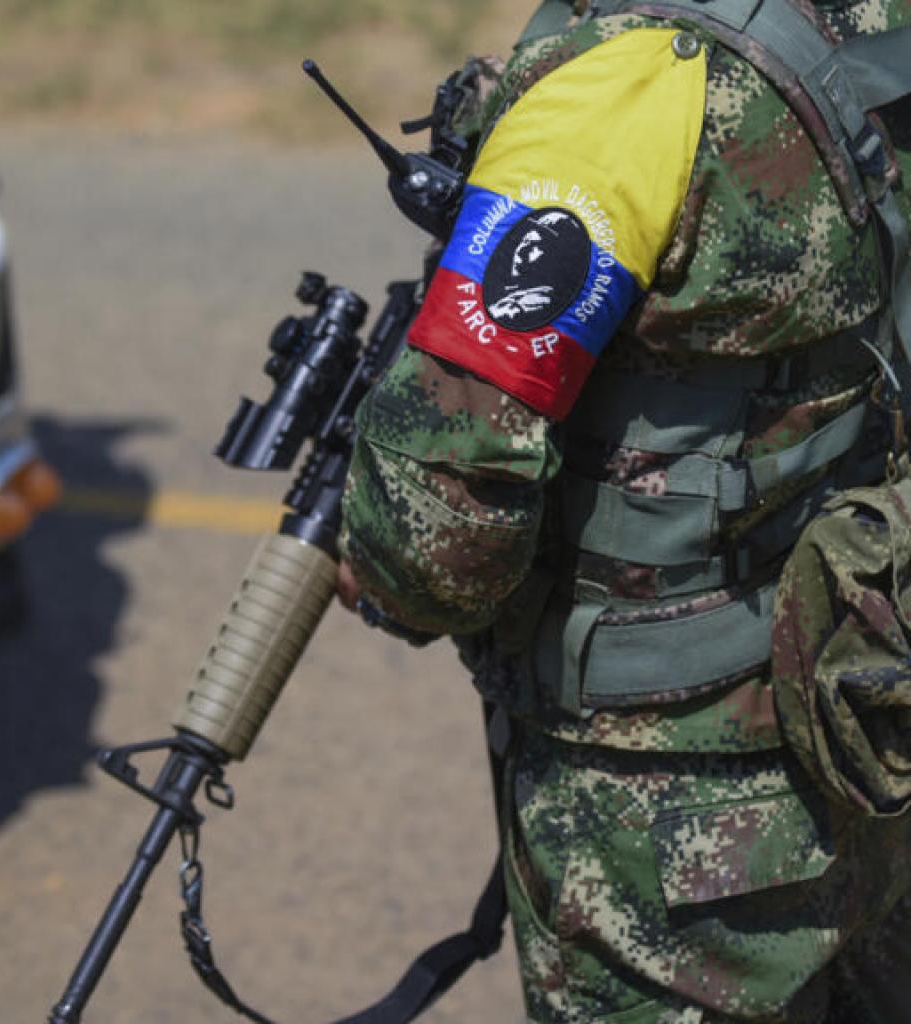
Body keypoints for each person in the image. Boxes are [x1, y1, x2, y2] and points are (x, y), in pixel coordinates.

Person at [336, 1, 911, 1021]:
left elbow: (439, 529)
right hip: (868, 711)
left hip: (668, 818)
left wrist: (375, 564)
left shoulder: (625, 92)